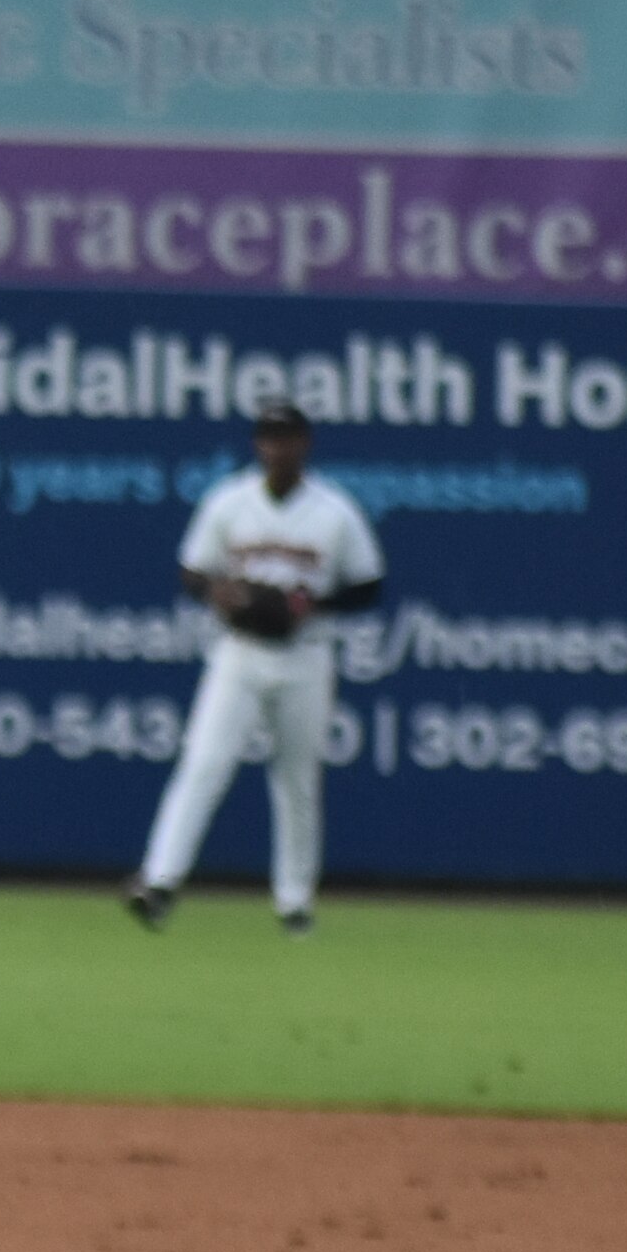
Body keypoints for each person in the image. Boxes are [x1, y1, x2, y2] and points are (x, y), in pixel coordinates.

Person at [125, 397, 380, 935]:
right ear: (258, 444)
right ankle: (160, 882)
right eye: (268, 437)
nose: (277, 447)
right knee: (204, 762)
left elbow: (368, 584)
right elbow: (192, 571)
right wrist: (219, 591)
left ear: (304, 443)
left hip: (305, 654)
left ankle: (295, 902)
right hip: (239, 652)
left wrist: (312, 605)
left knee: (297, 779)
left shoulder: (333, 510)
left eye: (286, 437)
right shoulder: (229, 502)